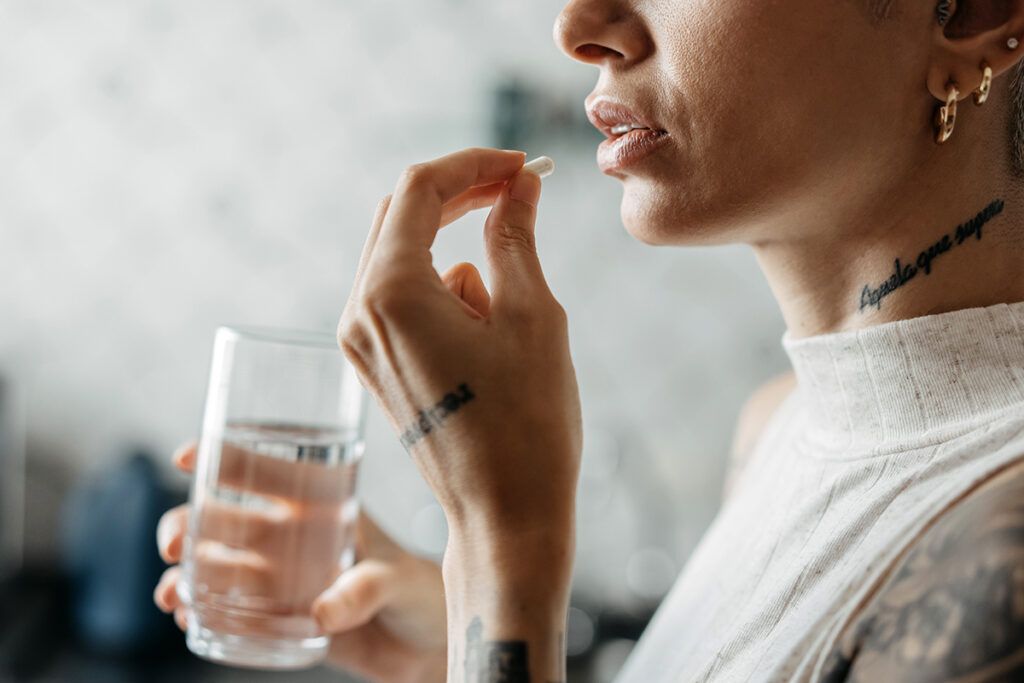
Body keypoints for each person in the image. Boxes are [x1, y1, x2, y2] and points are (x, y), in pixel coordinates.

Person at [154, 0, 1024, 679]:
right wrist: (452, 636)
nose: (577, 27)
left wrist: (501, 544)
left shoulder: (1004, 552)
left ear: (971, 14)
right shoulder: (780, 428)